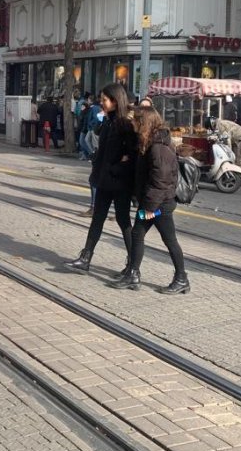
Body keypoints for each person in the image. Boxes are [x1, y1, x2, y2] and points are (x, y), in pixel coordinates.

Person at [111, 107, 189, 294]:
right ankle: (133, 273)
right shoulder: (151, 142)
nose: (133, 124)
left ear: (145, 122)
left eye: (137, 121)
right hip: (153, 201)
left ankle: (181, 278)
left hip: (159, 204)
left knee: (169, 239)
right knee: (138, 234)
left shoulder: (158, 147)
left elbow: (161, 180)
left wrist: (149, 207)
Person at [64, 83, 137, 274]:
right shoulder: (109, 120)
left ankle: (133, 264)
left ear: (115, 100)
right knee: (97, 218)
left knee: (123, 221)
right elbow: (104, 148)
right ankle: (85, 257)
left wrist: (115, 167)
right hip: (104, 179)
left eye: (104, 99)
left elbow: (131, 155)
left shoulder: (126, 124)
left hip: (119, 182)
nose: (101, 103)